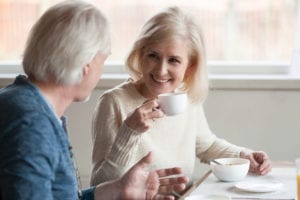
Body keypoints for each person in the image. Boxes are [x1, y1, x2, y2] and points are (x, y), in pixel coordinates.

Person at [0, 1, 189, 199]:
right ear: (86, 64)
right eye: (103, 61)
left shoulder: (27, 104)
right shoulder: (31, 123)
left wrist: (119, 189)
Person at [90, 6, 272, 187]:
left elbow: (206, 146)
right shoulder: (113, 102)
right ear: (140, 54)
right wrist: (130, 131)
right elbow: (99, 186)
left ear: (190, 66)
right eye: (153, 56)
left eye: (174, 60)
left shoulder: (186, 99)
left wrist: (244, 155)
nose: (161, 70)